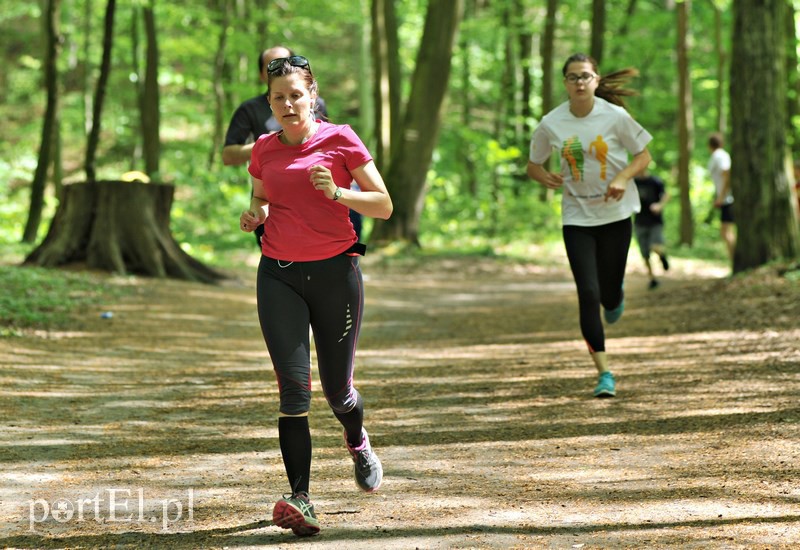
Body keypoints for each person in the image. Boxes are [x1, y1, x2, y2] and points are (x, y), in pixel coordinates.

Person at [239, 55, 392, 537]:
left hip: (335, 275)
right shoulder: (263, 148)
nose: (288, 104)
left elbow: (384, 205)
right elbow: (261, 198)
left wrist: (339, 195)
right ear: (269, 103)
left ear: (312, 96)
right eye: (278, 98)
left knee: (338, 392)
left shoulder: (340, 138)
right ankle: (300, 499)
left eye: (296, 95)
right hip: (279, 275)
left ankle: (357, 440)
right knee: (293, 391)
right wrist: (255, 216)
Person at [526, 53, 653, 398]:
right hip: (576, 216)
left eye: (585, 76)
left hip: (615, 214)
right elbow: (533, 164)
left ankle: (616, 298)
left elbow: (644, 155)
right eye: (572, 77)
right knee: (588, 292)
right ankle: (604, 372)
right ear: (565, 83)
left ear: (596, 80)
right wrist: (545, 176)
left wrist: (624, 177)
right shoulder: (552, 123)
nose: (579, 83)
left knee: (609, 294)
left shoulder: (615, 116)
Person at [223, 45, 330, 245]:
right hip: (269, 198)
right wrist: (267, 144)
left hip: (313, 198)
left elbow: (329, 147)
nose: (287, 105)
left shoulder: (315, 103)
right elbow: (228, 155)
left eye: (287, 63)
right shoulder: (250, 108)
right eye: (271, 67)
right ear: (261, 74)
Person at [634, 170, 670, 289]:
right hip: (639, 221)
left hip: (655, 221)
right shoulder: (633, 182)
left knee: (655, 246)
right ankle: (652, 278)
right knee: (645, 254)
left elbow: (666, 195)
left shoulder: (655, 181)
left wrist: (659, 205)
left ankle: (662, 256)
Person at [707, 133, 735, 261]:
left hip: (728, 199)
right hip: (725, 198)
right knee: (725, 232)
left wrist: (721, 197)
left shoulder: (720, 156)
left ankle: (734, 260)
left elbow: (726, 174)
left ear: (709, 145)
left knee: (726, 232)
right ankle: (733, 260)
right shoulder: (717, 156)